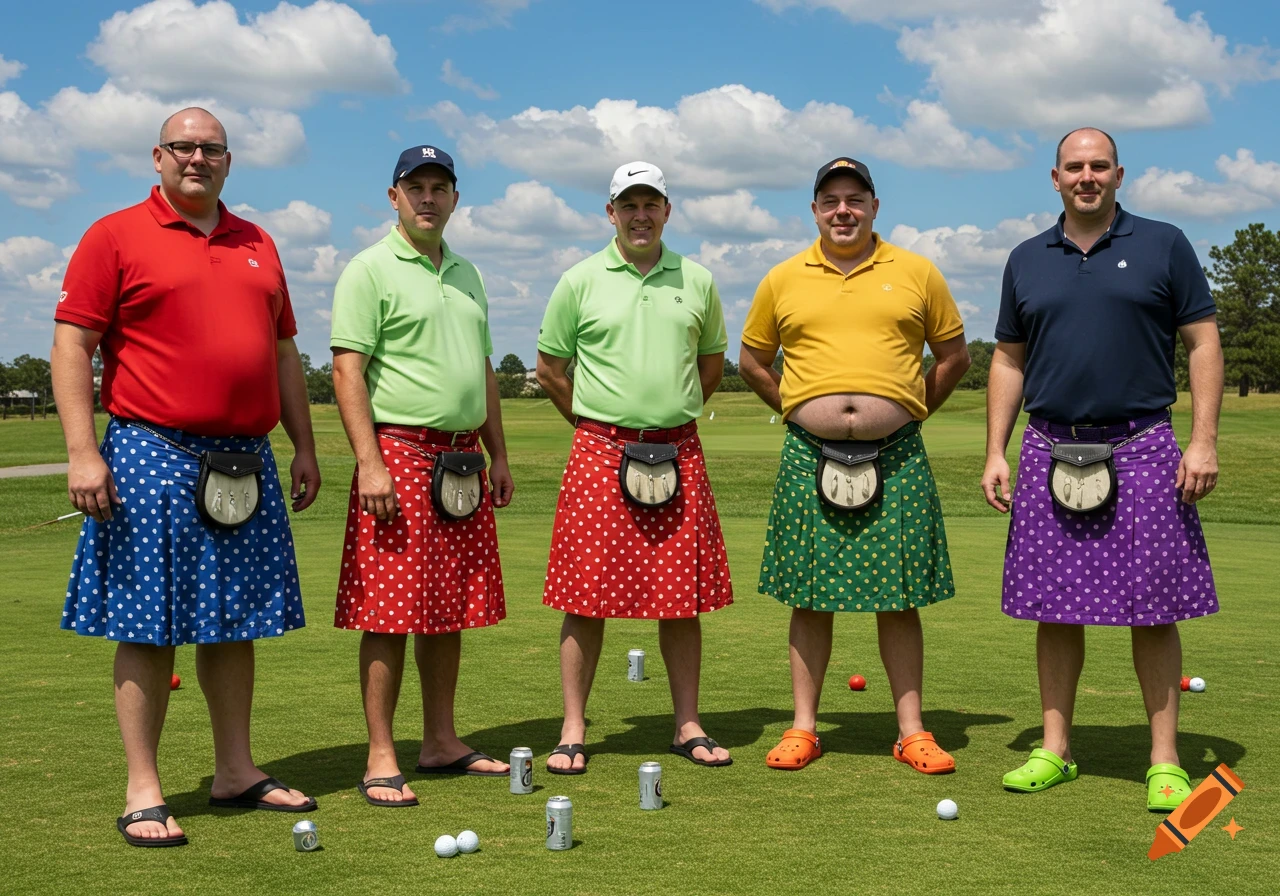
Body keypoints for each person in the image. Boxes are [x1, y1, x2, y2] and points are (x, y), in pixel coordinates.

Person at [53, 108, 320, 847]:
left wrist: (303, 443)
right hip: (151, 451)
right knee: (148, 625)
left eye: (211, 149)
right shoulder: (113, 235)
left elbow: (284, 353)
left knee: (236, 622)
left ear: (228, 160)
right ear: (158, 155)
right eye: (183, 147)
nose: (197, 158)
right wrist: (83, 451)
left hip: (246, 457)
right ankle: (144, 788)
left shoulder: (257, 240)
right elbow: (73, 345)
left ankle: (235, 770)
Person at [983, 128, 1222, 811]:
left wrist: (1202, 441)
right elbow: (1009, 358)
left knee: (1155, 610)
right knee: (1054, 610)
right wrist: (996, 448)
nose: (1086, 176)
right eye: (1074, 167)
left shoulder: (1164, 244)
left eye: (1098, 166)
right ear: (1054, 178)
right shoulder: (1026, 258)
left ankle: (1165, 761)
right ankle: (1054, 750)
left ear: (1119, 174)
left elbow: (1202, 342)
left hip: (1143, 446)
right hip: (1048, 446)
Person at [739, 158, 971, 773]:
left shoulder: (917, 271)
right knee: (809, 595)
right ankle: (803, 728)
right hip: (808, 453)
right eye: (831, 200)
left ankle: (912, 732)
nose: (843, 210)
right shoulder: (782, 278)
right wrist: (796, 408)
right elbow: (752, 361)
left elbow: (954, 357)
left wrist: (911, 411)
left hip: (897, 454)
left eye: (855, 199)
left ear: (874, 206)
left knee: (900, 597)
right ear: (815, 210)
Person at [536, 162, 734, 774]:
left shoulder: (697, 280)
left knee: (681, 601)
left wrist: (665, 417)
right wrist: (595, 426)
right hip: (600, 451)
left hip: (678, 448)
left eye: (651, 204)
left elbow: (709, 366)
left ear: (667, 211)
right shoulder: (579, 280)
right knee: (583, 597)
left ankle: (687, 724)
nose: (640, 215)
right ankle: (573, 727)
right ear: (611, 212)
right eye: (629, 205)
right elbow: (550, 369)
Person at [330, 145, 513, 806]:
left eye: (439, 187)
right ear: (394, 197)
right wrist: (369, 462)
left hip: (463, 457)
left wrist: (498, 453)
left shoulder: (467, 273)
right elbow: (347, 369)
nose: (428, 198)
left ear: (455, 198)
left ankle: (440, 739)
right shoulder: (368, 269)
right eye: (416, 187)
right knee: (389, 613)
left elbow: (481, 370)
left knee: (448, 608)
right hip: (400, 455)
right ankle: (381, 754)